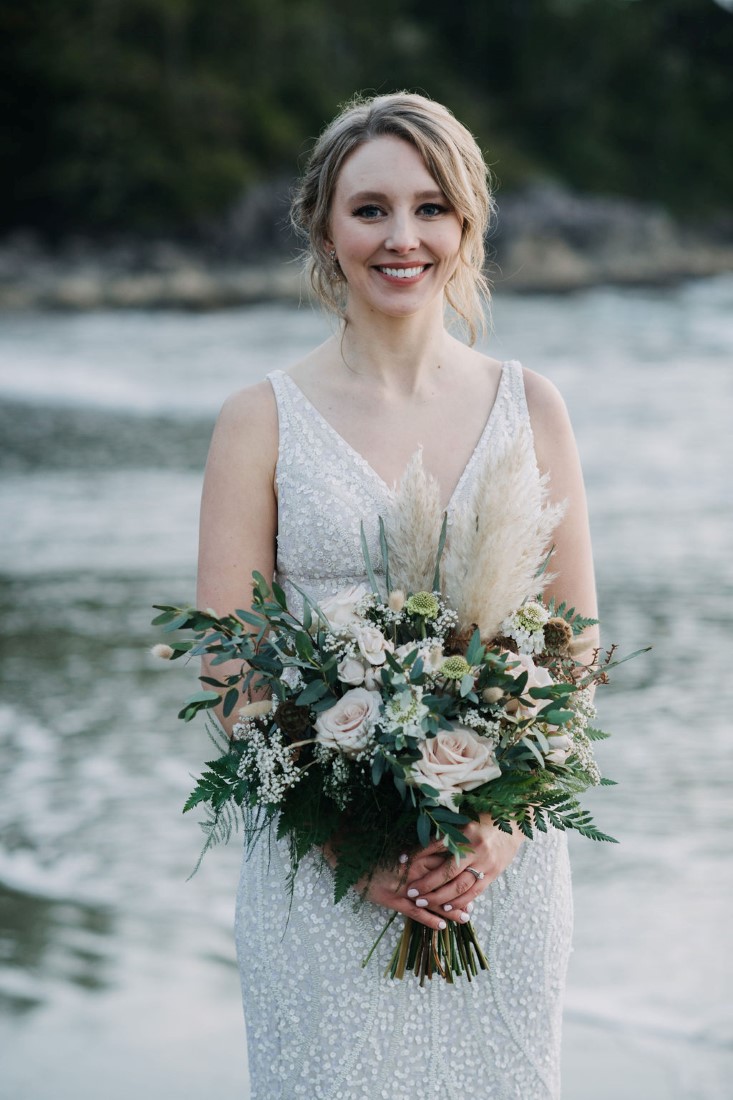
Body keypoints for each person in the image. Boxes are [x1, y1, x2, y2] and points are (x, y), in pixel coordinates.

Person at [196, 92, 597, 1100]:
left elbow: (573, 649)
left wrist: (502, 827)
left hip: (494, 872)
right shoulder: (259, 419)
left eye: (430, 207)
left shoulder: (530, 403)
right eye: (370, 208)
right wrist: (353, 849)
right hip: (319, 872)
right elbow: (230, 661)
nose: (401, 236)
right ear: (323, 224)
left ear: (466, 222)